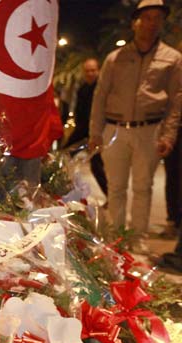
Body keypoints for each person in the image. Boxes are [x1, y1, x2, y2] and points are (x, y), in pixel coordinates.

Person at [89, 0, 182, 254]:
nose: (152, 23)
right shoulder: (115, 58)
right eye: (147, 17)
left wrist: (168, 135)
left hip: (150, 129)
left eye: (157, 18)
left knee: (143, 187)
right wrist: (95, 132)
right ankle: (117, 237)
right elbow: (100, 95)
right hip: (115, 128)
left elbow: (176, 101)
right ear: (135, 22)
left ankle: (138, 238)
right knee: (115, 187)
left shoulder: (172, 59)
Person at [65, 58, 108, 198]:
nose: (90, 73)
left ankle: (110, 195)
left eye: (93, 70)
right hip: (83, 128)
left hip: (97, 131)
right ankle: (64, 187)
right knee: (65, 153)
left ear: (99, 71)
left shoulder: (102, 89)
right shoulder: (83, 88)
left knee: (96, 166)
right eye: (87, 71)